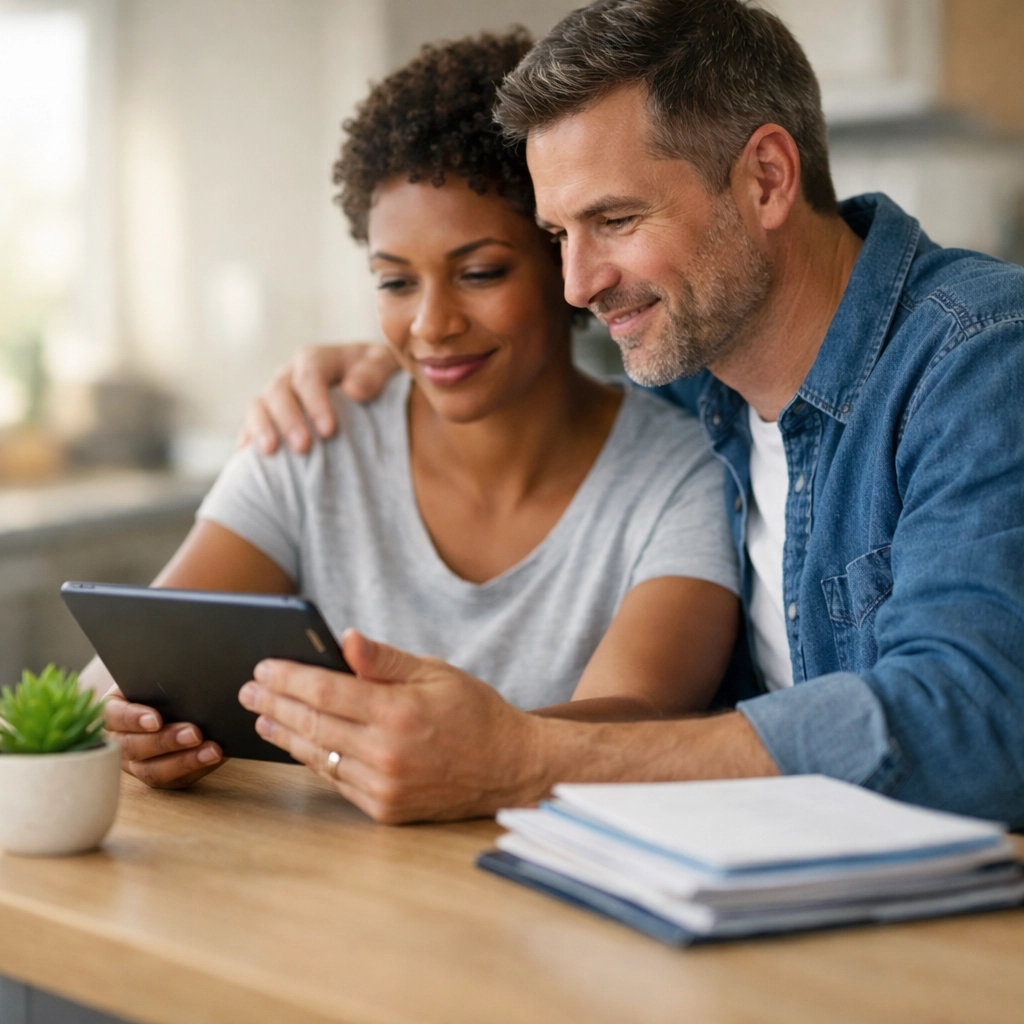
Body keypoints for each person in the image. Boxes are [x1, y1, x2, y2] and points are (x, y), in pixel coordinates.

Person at [239, 0, 1024, 827]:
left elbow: (975, 723)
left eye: (614, 221)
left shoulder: (983, 359)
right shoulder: (694, 383)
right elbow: (533, 369)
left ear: (766, 179)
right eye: (559, 235)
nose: (578, 285)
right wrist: (398, 362)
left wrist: (525, 761)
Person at [90, 31, 742, 792]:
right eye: (396, 283)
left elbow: (647, 720)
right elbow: (119, 669)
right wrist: (127, 723)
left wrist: (470, 752)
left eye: (480, 273)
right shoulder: (315, 436)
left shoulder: (684, 474)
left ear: (565, 259)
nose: (431, 325)